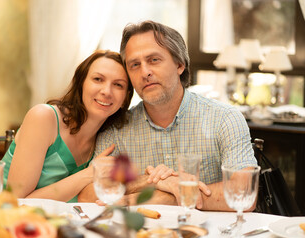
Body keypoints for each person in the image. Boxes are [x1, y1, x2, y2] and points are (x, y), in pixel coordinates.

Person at [78, 21, 258, 211]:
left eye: (154, 60)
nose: (145, 72)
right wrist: (151, 182)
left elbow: (244, 191)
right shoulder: (116, 130)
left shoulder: (225, 119)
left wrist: (167, 199)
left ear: (180, 64)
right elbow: (88, 195)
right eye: (135, 65)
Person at [1, 50, 133, 203]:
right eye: (98, 79)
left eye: (118, 85)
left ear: (125, 98)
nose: (106, 91)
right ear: (81, 83)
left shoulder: (106, 140)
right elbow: (16, 201)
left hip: (54, 222)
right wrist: (90, 174)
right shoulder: (43, 117)